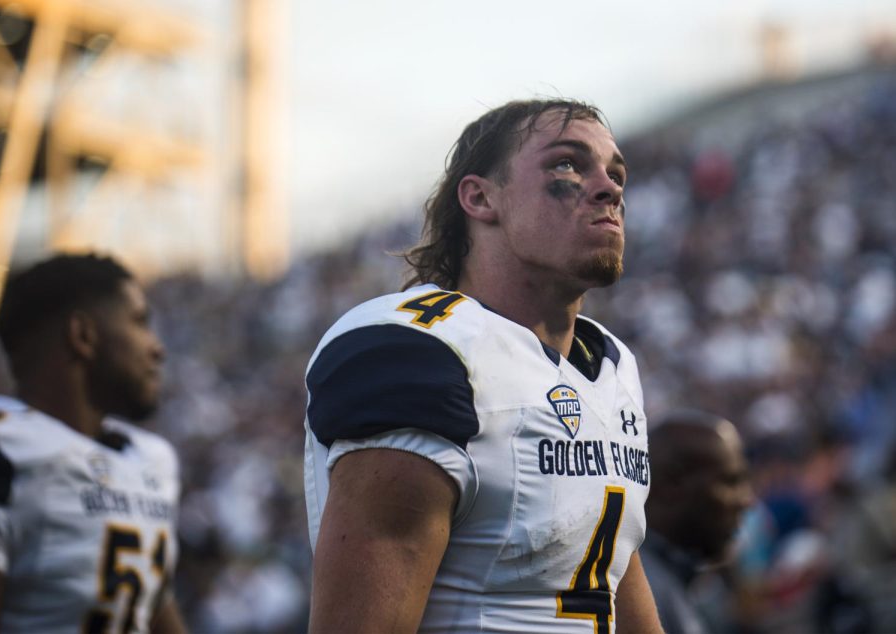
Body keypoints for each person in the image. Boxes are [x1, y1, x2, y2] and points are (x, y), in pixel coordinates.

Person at [303, 99, 664, 633]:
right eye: (567, 164)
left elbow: (609, 570)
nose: (609, 187)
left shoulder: (611, 364)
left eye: (615, 173)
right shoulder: (421, 350)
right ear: (480, 197)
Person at [0, 253, 186, 633]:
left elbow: (149, 610)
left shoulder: (152, 459)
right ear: (83, 335)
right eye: (139, 322)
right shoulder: (9, 452)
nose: (157, 348)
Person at [640, 409, 754, 634]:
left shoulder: (677, 580)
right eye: (730, 482)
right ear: (673, 484)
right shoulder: (639, 593)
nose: (746, 500)